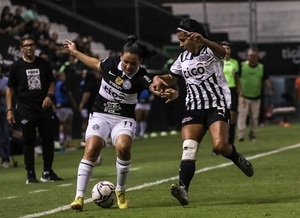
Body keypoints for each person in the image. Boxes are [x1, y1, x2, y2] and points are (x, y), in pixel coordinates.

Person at [63, 35, 178, 211]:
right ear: (120, 56)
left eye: (133, 63)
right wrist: (76, 52)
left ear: (140, 61)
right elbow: (95, 64)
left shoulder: (142, 76)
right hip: (100, 114)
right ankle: (79, 197)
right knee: (92, 148)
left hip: (123, 118)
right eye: (125, 62)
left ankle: (120, 190)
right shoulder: (110, 62)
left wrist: (168, 93)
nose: (128, 66)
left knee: (123, 148)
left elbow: (154, 88)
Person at [152, 18, 254, 206]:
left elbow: (223, 52)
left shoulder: (210, 51)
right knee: (188, 149)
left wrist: (204, 40)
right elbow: (172, 77)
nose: (181, 44)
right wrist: (159, 78)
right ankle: (183, 190)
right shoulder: (183, 58)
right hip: (193, 107)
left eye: (183, 40)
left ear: (194, 37)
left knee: (221, 147)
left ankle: (236, 157)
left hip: (216, 104)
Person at [6, 34, 63, 184]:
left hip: (43, 106)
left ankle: (47, 172)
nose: (29, 48)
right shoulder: (16, 66)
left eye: (32, 44)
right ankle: (30, 174)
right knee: (28, 141)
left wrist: (49, 96)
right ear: (21, 48)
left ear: (35, 46)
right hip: (25, 107)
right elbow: (10, 90)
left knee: (48, 139)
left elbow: (51, 82)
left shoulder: (43, 63)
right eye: (26, 45)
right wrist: (9, 110)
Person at [237, 48, 273, 142]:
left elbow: (266, 79)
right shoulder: (242, 66)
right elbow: (236, 79)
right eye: (250, 55)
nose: (252, 57)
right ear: (247, 56)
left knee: (255, 117)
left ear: (257, 57)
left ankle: (253, 134)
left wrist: (270, 88)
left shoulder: (261, 68)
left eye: (254, 56)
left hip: (256, 96)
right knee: (242, 116)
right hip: (244, 96)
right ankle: (241, 135)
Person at [220, 41, 243, 146]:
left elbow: (237, 78)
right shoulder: (217, 61)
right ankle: (219, 143)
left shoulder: (234, 63)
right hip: (220, 91)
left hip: (232, 90)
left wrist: (241, 92)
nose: (226, 50)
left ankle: (231, 144)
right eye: (224, 48)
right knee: (221, 118)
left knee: (232, 118)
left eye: (228, 48)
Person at [0, 67, 11, 168]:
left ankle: (5, 158)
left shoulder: (5, 80)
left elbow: (9, 93)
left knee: (4, 135)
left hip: (3, 110)